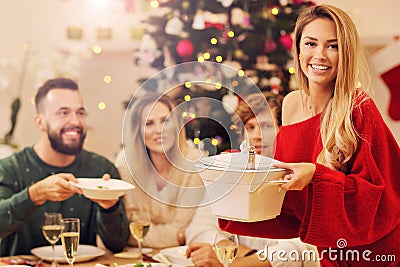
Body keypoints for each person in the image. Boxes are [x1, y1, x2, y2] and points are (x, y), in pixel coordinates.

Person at [218, 4, 400, 266]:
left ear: (345, 53)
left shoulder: (359, 108)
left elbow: (380, 199)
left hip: (376, 254)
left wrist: (315, 176)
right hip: (329, 252)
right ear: (299, 49)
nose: (320, 55)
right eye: (311, 43)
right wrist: (236, 179)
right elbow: (291, 203)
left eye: (333, 46)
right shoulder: (291, 104)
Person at [186, 92, 319, 267]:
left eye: (266, 126)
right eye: (250, 127)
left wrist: (245, 262)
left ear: (283, 130)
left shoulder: (301, 175)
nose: (256, 136)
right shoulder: (231, 175)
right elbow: (198, 229)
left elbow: (308, 247)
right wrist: (243, 252)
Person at [0, 78, 130, 256]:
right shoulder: (10, 169)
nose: (75, 122)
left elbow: (117, 245)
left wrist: (110, 208)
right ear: (40, 122)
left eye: (80, 113)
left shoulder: (101, 169)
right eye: (63, 113)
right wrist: (34, 195)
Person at [115, 92, 205, 249]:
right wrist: (177, 236)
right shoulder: (125, 162)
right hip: (135, 256)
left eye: (165, 121)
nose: (159, 130)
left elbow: (185, 227)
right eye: (149, 124)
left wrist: (180, 233)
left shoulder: (195, 161)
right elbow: (128, 229)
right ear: (138, 131)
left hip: (182, 257)